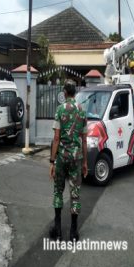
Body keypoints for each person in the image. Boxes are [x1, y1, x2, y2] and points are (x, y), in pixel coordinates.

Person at [49, 79, 88, 241]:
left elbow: (56, 138)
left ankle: (57, 232)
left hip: (61, 159)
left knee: (58, 191)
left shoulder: (60, 110)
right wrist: (85, 162)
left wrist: (52, 161)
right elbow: (84, 140)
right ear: (75, 93)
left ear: (65, 92)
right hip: (76, 159)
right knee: (75, 193)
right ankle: (73, 233)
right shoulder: (81, 111)